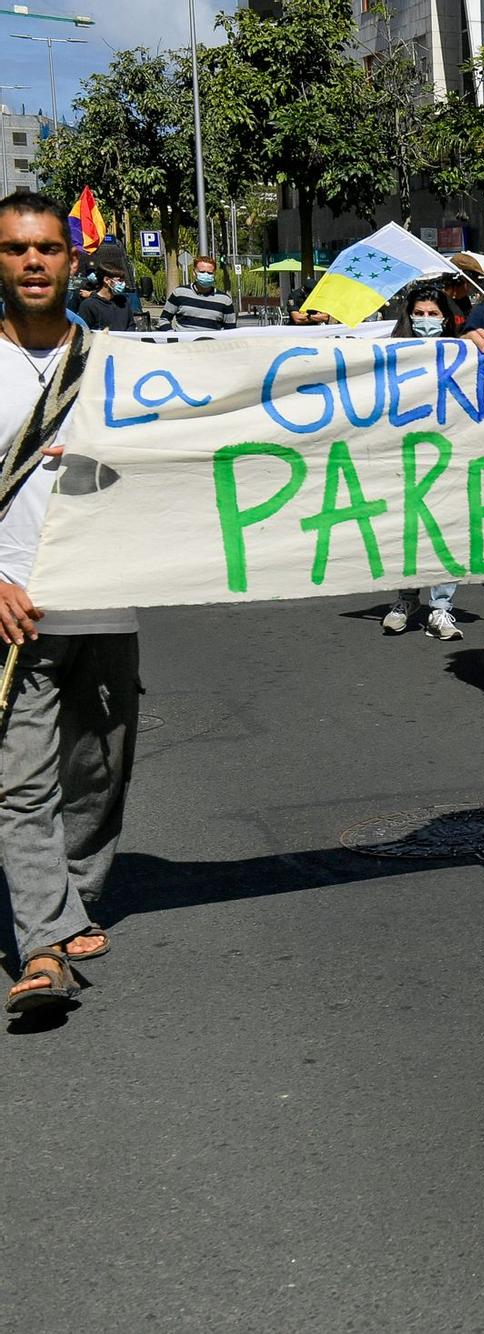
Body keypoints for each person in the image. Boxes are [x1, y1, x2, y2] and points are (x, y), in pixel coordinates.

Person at [0, 192, 141, 1015]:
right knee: (21, 781)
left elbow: (260, 381)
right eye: (16, 249)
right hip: (16, 611)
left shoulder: (123, 361)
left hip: (106, 598)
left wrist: (437, 358)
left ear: (72, 260)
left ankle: (74, 889)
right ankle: (43, 942)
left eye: (47, 248)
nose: (31, 262)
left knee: (99, 765)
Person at [380, 283, 465, 642]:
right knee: (407, 531)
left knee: (445, 531)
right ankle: (406, 599)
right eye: (419, 314)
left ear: (446, 318)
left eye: (433, 314)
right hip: (404, 453)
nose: (426, 320)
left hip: (449, 453)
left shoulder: (463, 352)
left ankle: (441, 608)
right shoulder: (389, 352)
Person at [163, 254, 237, 332]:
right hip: (184, 343)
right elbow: (163, 320)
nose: (206, 275)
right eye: (202, 272)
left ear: (214, 274)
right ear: (194, 273)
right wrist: (172, 336)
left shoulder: (224, 300)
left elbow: (231, 329)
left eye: (210, 273)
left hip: (211, 343)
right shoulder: (179, 293)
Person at [74, 244, 132, 332]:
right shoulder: (89, 305)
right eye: (119, 280)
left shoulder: (124, 302)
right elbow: (83, 334)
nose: (122, 284)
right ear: (107, 280)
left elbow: (131, 326)